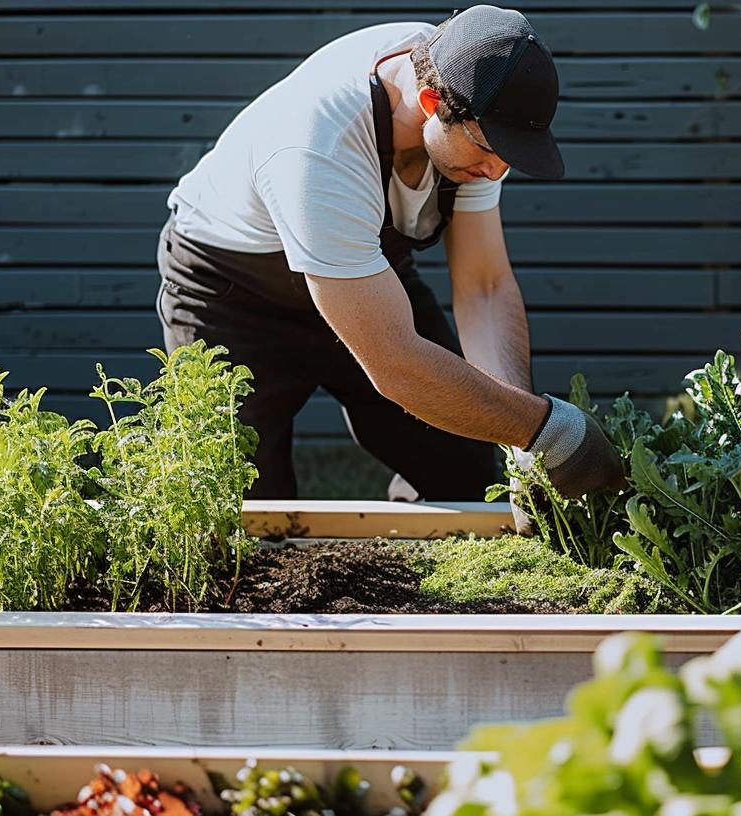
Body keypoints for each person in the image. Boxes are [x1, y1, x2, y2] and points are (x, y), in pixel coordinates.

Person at [155, 5, 624, 504]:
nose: (497, 170)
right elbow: (396, 363)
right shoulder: (320, 146)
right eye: (490, 149)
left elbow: (484, 286)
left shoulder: (470, 82)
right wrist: (549, 431)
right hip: (231, 294)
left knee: (464, 466)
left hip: (368, 277)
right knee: (239, 506)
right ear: (430, 101)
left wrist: (521, 445)